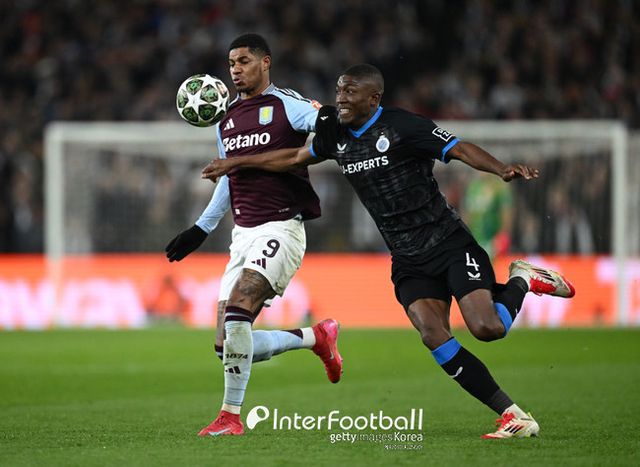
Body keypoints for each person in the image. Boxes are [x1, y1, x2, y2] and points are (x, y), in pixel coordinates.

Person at [202, 64, 576, 439]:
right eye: (338, 91)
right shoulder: (335, 135)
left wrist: (500, 168)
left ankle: (522, 279)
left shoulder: (403, 126)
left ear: (373, 98)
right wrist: (235, 163)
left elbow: (459, 147)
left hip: (448, 243)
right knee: (433, 335)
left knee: (487, 328)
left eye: (350, 92)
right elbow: (293, 158)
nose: (340, 99)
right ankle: (512, 414)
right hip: (407, 260)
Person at [165, 34, 343, 437]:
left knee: (240, 304)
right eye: (231, 63)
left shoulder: (286, 105)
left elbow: (325, 122)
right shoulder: (226, 118)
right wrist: (201, 228)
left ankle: (230, 417)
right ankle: (315, 337)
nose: (235, 69)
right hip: (242, 235)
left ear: (265, 62)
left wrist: (326, 118)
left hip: (281, 227)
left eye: (244, 61)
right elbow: (229, 178)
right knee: (226, 345)